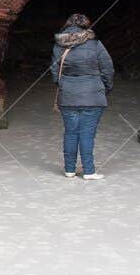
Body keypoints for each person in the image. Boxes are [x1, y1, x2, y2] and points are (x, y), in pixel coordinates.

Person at [49, 13, 115, 179]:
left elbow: (55, 73)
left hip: (68, 97)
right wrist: (106, 88)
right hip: (93, 96)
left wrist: (63, 86)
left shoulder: (59, 46)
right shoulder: (95, 45)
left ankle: (69, 169)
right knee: (87, 133)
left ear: (67, 26)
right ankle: (89, 171)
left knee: (71, 132)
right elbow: (108, 69)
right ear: (86, 26)